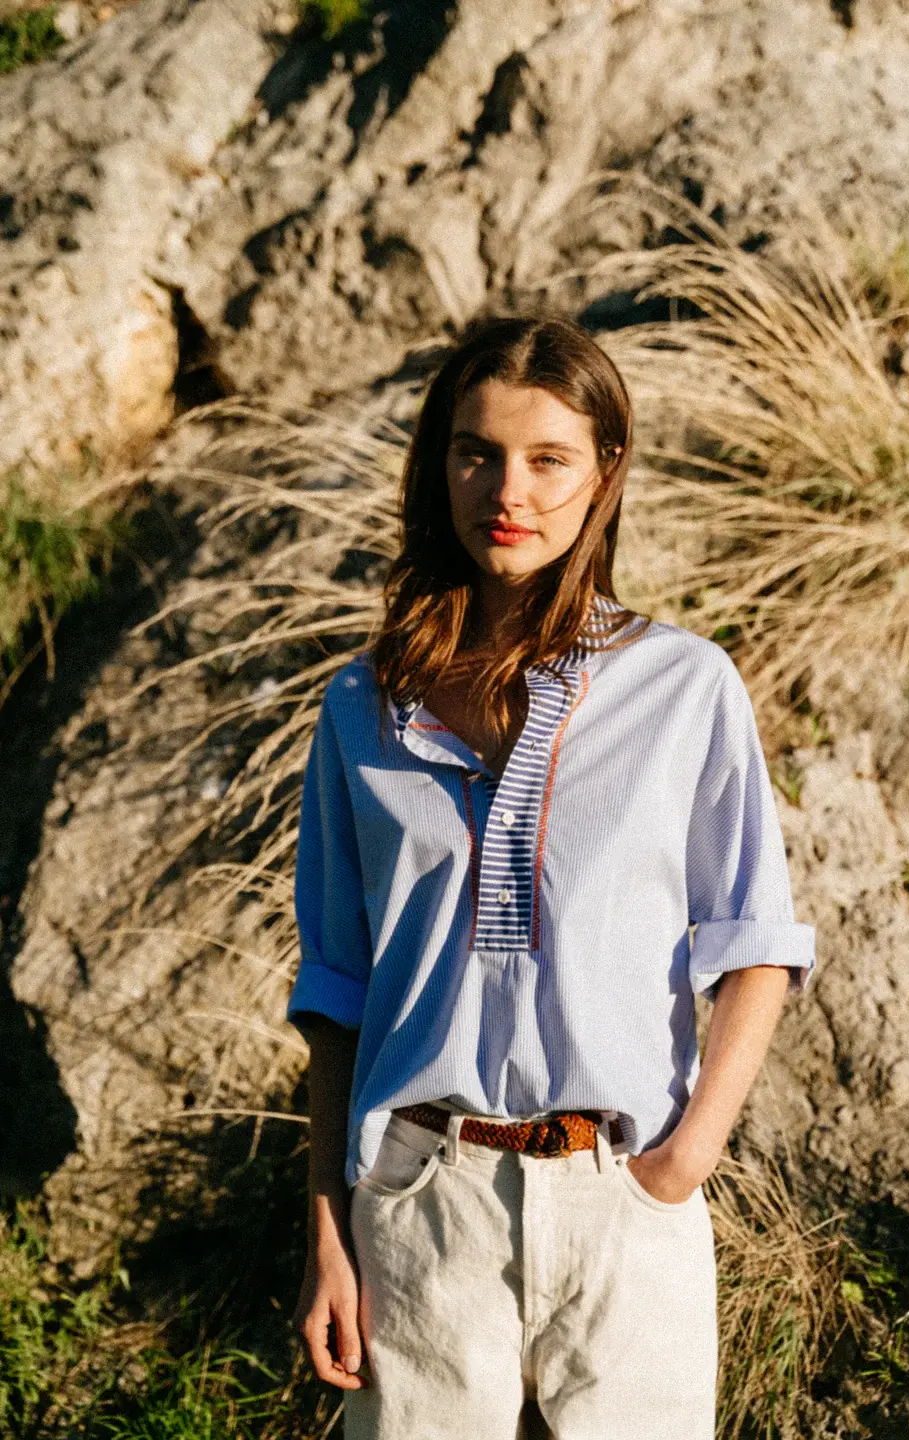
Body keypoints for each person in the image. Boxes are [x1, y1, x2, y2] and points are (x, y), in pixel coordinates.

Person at [288, 314, 815, 1440]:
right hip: (421, 1201)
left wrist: (682, 1165)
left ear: (605, 473)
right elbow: (336, 990)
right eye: (477, 452)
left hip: (626, 1198)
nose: (507, 490)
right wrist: (331, 1228)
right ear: (441, 465)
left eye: (548, 459)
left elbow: (756, 943)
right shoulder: (360, 708)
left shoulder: (684, 688)